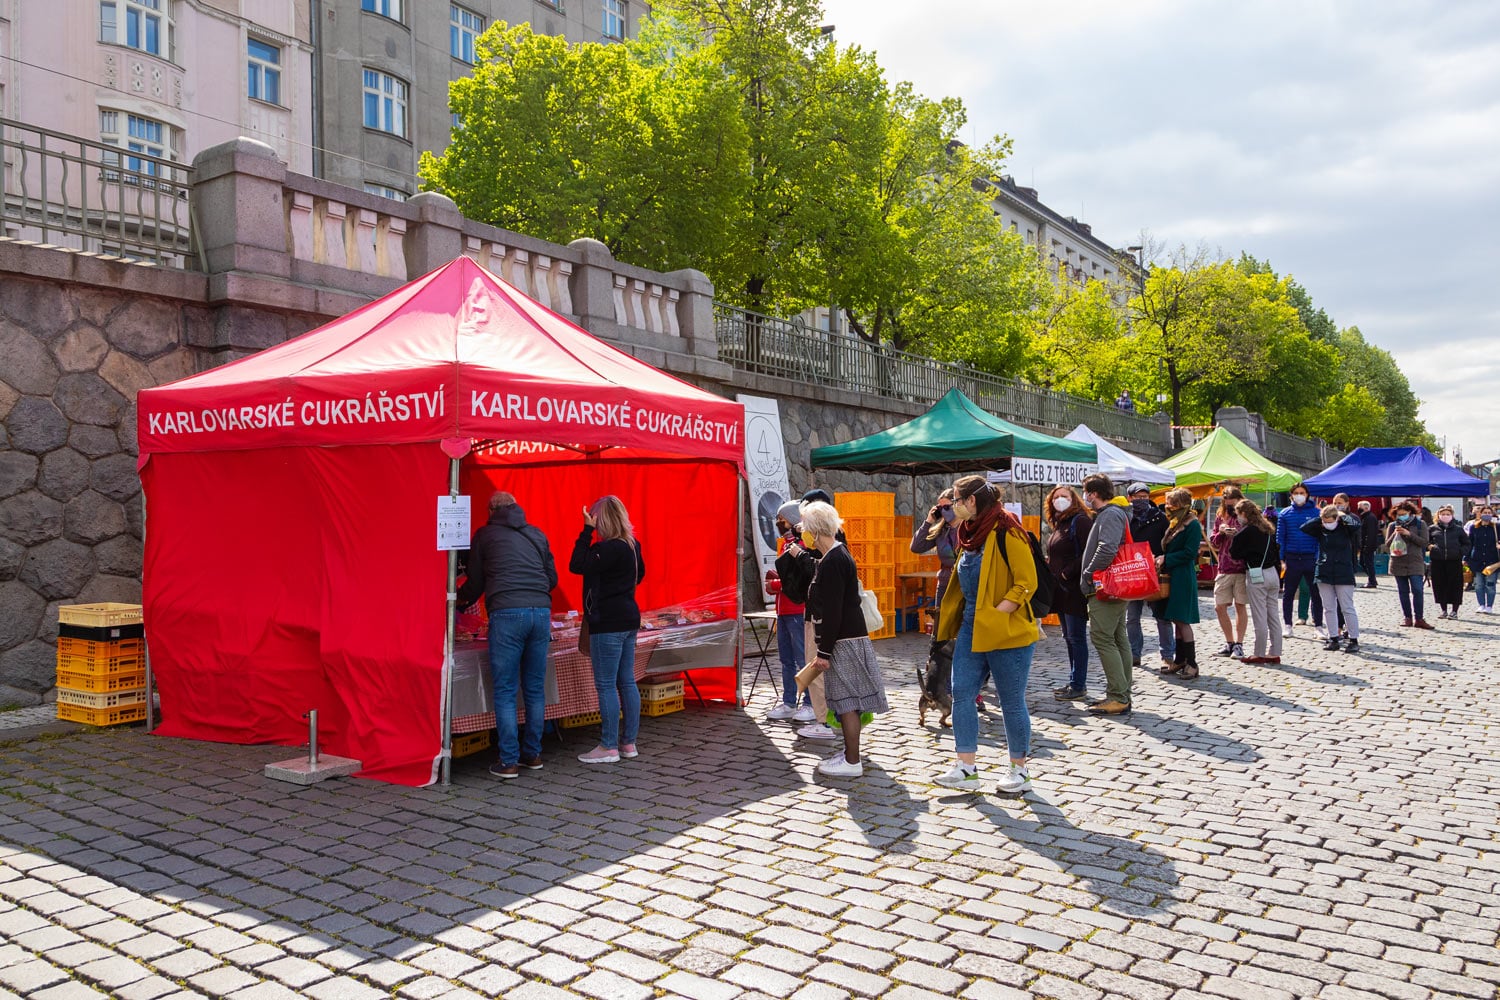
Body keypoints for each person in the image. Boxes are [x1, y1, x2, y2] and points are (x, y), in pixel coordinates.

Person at [932, 476, 1038, 793]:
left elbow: (1026, 582)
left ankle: (1019, 772)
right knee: (962, 692)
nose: (952, 506)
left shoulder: (1008, 531)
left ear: (972, 502)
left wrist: (998, 612)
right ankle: (966, 767)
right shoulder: (967, 534)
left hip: (1007, 631)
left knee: (1010, 701)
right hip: (970, 627)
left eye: (956, 500)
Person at [456, 491, 559, 780]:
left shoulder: (485, 535)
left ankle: (509, 761)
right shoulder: (537, 534)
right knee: (535, 688)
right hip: (540, 613)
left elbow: (475, 581)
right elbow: (552, 579)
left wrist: (458, 600)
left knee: (505, 690)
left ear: (490, 510)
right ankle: (533, 754)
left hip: (506, 613)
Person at [798, 501, 888, 778]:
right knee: (846, 701)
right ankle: (850, 756)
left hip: (844, 641)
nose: (804, 533)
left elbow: (834, 609)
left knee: (847, 702)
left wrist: (823, 652)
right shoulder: (836, 556)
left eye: (806, 528)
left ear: (815, 529)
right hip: (847, 638)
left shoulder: (834, 560)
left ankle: (852, 761)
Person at [570, 495, 647, 764]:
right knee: (626, 681)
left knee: (606, 684)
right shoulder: (631, 545)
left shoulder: (607, 548)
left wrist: (586, 530)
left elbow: (576, 564)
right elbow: (641, 575)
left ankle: (608, 746)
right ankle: (628, 743)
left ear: (601, 520)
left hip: (608, 621)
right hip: (628, 617)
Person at [789, 488, 844, 741]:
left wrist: (799, 555)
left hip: (821, 618)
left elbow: (821, 579)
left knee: (817, 667)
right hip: (819, 615)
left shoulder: (834, 551)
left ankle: (823, 721)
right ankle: (827, 718)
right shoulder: (835, 547)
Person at [1077, 473, 1133, 714]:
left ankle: (1118, 695)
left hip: (1106, 587)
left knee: (1103, 638)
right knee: (1118, 639)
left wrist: (1090, 573)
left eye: (1086, 492)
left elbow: (1107, 547)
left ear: (1093, 493)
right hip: (1114, 588)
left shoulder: (1110, 514)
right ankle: (1121, 692)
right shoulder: (1113, 513)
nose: (1085, 497)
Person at [1043, 484, 1092, 701]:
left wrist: (1066, 573)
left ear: (1073, 499)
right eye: (1056, 497)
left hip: (1073, 589)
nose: (1059, 500)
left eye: (1064, 496)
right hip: (1060, 591)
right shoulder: (1060, 523)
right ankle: (1074, 681)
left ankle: (1079, 684)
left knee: (1076, 637)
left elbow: (1088, 552)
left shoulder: (1080, 521)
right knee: (1068, 638)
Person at [766, 501, 813, 723]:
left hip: (796, 609)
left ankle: (809, 703)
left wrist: (777, 584)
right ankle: (789, 701)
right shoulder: (786, 545)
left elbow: (800, 580)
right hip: (784, 609)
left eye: (782, 519)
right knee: (786, 659)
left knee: (802, 658)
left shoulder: (800, 545)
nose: (778, 523)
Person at [1124, 483, 1175, 670]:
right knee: (1132, 617)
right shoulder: (1126, 518)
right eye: (1137, 497)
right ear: (1130, 498)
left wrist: (1162, 559)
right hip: (1133, 572)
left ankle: (1167, 655)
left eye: (1145, 496)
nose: (1141, 500)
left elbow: (1168, 542)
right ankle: (1134, 653)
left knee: (1161, 616)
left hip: (1155, 572)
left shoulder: (1160, 518)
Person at [1156, 488, 1204, 679]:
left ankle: (1192, 663)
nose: (1168, 508)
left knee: (1182, 620)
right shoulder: (1177, 522)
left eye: (1172, 504)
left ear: (1182, 505)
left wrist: (1167, 558)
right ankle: (1180, 659)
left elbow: (1190, 552)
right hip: (1173, 574)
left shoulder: (1192, 525)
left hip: (1183, 576)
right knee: (1176, 618)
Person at [1301, 503, 1362, 652]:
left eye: (1330, 521)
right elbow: (1304, 527)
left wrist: (1342, 515)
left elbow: (1357, 524)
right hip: (1324, 571)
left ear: (1336, 519)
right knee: (1328, 607)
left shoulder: (1346, 528)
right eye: (1325, 522)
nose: (1327, 524)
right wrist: (1320, 518)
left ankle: (1353, 639)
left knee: (1347, 607)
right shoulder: (1320, 529)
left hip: (1343, 571)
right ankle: (1333, 637)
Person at [1229, 499, 1282, 664]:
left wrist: (1234, 536)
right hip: (1273, 573)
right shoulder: (1268, 529)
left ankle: (1259, 653)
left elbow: (1234, 553)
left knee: (1259, 616)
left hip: (1257, 574)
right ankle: (1275, 652)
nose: (1238, 518)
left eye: (1238, 514)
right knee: (1273, 615)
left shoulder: (1247, 531)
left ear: (1244, 514)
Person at [1277, 483, 1324, 639]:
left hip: (1311, 558)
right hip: (1292, 558)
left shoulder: (1317, 513)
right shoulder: (1284, 514)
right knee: (1288, 593)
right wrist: (1281, 559)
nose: (1299, 495)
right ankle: (1288, 625)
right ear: (1291, 495)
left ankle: (1318, 626)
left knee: (1316, 593)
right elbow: (1280, 539)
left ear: (1307, 494)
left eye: (1302, 492)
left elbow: (1320, 538)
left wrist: (1318, 557)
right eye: (1296, 492)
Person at [1208, 485, 1249, 659]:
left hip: (1242, 567)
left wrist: (1238, 532)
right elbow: (1214, 542)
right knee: (1219, 607)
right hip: (1224, 566)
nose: (1231, 508)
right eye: (1228, 504)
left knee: (1240, 605)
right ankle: (1229, 642)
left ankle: (1239, 644)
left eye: (1233, 504)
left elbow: (1254, 537)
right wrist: (1222, 533)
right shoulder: (1220, 516)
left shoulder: (1246, 516)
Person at [1385, 501, 1432, 629]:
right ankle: (1407, 617)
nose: (1401, 516)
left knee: (1417, 590)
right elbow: (1387, 545)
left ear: (1410, 513)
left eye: (1404, 514)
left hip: (1415, 562)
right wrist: (1395, 534)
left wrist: (1409, 534)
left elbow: (1424, 542)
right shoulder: (1392, 525)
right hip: (1398, 562)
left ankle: (1419, 618)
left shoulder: (1420, 524)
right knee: (1403, 591)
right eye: (1399, 515)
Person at [911, 487, 960, 602]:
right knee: (940, 619)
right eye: (940, 508)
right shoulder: (940, 531)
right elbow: (916, 547)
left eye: (947, 507)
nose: (944, 511)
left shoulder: (967, 529)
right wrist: (928, 521)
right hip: (945, 584)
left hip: (963, 585)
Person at [1427, 504, 1468, 620]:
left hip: (1454, 561)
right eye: (1443, 514)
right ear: (1438, 515)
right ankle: (1443, 610)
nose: (1445, 516)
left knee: (1455, 586)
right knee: (1440, 585)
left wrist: (1460, 552)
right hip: (1438, 561)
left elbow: (1467, 543)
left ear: (1452, 515)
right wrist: (1430, 547)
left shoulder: (1458, 529)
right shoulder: (1432, 528)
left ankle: (1454, 611)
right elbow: (1425, 542)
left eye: (1448, 514)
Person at [1466, 505, 1499, 613]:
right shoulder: (1474, 527)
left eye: (1489, 513)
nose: (1487, 515)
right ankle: (1481, 604)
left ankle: (1489, 605)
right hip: (1477, 560)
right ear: (1480, 514)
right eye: (1485, 512)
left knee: (1490, 584)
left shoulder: (1497, 527)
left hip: (1492, 561)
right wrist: (1466, 557)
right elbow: (1470, 543)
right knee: (1479, 584)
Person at [1357, 500, 1382, 588]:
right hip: (1366, 545)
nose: (1358, 509)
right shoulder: (1365, 517)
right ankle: (1372, 579)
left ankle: (1372, 580)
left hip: (1368, 546)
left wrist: (1367, 546)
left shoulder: (1370, 517)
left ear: (1366, 508)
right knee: (1364, 562)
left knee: (1367, 563)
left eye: (1359, 507)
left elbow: (1370, 533)